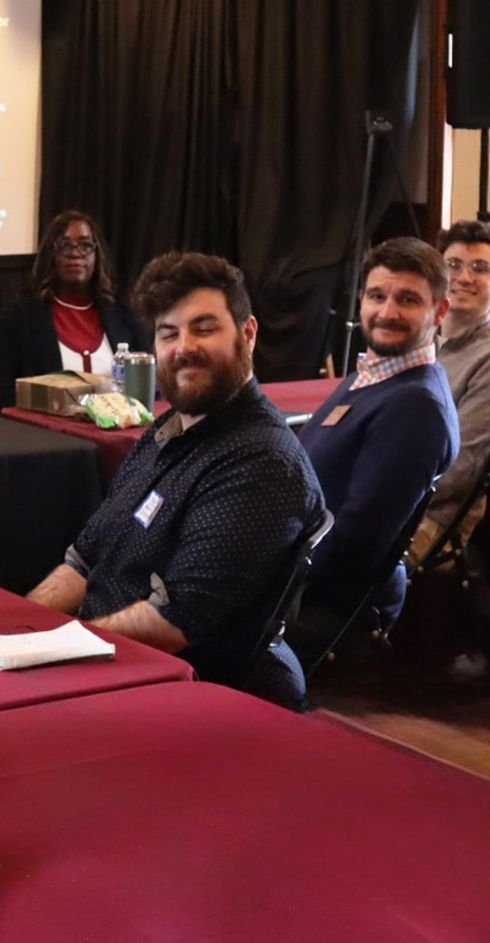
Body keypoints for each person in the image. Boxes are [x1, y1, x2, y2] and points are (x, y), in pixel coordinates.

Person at [26, 253, 324, 706]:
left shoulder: (261, 462)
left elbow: (176, 622)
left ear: (248, 333)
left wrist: (51, 651)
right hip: (106, 664)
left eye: (204, 328)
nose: (184, 346)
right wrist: (21, 629)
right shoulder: (169, 431)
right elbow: (85, 559)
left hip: (183, 698)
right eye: (169, 333)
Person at [294, 237, 460, 646]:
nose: (387, 312)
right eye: (377, 296)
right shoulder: (374, 376)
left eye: (407, 300)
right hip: (301, 577)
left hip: (325, 602)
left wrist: (259, 566)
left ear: (439, 311)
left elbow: (355, 548)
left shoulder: (416, 408)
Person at [408, 220, 490, 560]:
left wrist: (379, 495)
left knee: (327, 561)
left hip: (427, 520)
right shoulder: (416, 338)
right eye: (453, 265)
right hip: (384, 498)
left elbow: (461, 469)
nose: (463, 278)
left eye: (479, 269)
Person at [0, 210, 149, 412]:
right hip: (50, 439)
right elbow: (1, 398)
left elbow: (149, 387)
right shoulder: (19, 319)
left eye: (85, 245)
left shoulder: (124, 316)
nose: (75, 253)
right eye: (65, 245)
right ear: (50, 254)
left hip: (120, 437)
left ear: (97, 255)